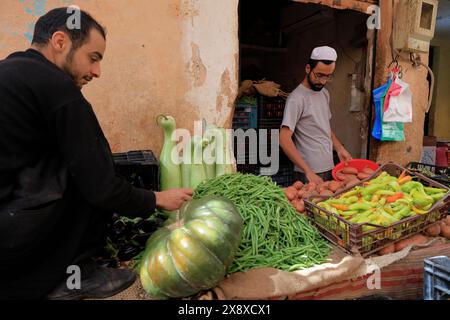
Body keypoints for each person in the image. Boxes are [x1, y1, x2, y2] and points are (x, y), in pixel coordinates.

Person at [0, 8, 192, 300]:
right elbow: (101, 186)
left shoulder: (11, 72)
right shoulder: (58, 89)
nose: (97, 72)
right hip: (14, 246)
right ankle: (75, 274)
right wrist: (156, 199)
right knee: (90, 166)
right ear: (60, 42)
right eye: (93, 58)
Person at [280, 46, 352, 184]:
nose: (323, 81)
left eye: (328, 76)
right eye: (319, 75)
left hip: (329, 167)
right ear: (308, 69)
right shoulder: (297, 98)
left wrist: (339, 148)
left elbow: (324, 126)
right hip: (308, 173)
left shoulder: (324, 94)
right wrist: (308, 172)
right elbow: (284, 139)